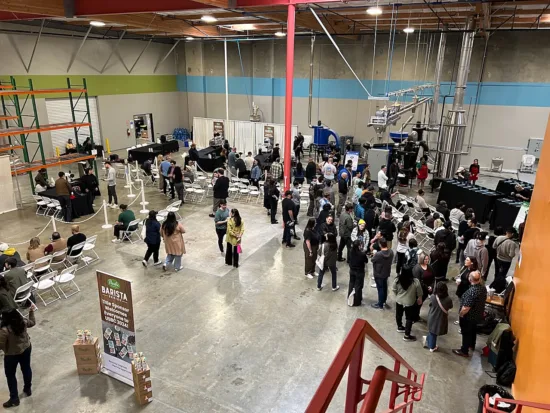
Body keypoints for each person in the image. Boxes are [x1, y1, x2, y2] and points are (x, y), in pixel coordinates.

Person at [0, 307, 36, 408]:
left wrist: (5, 348)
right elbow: (32, 322)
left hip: (12, 355)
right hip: (26, 348)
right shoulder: (23, 322)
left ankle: (14, 399)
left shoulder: (5, 330)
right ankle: (27, 389)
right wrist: (31, 312)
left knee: (10, 375)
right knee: (26, 368)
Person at [453, 271, 487, 357]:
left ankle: (464, 350)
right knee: (473, 330)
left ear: (470, 279)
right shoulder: (483, 288)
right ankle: (472, 345)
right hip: (478, 314)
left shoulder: (472, 292)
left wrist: (461, 314)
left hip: (468, 317)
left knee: (466, 332)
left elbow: (466, 308)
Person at [393, 262, 423, 342]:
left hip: (399, 300)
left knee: (398, 314)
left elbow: (394, 290)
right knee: (409, 318)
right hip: (410, 302)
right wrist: (419, 299)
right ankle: (406, 335)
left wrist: (398, 296)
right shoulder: (415, 281)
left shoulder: (397, 280)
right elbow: (419, 293)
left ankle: (399, 327)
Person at [426, 282, 453, 352]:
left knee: (431, 331)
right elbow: (450, 306)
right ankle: (432, 347)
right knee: (434, 332)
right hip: (441, 318)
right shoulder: (448, 299)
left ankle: (430, 343)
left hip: (432, 316)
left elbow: (430, 305)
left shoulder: (433, 297)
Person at [492, 227, 518, 292]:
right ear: (512, 234)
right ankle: (498, 288)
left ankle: (494, 284)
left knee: (497, 272)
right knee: (502, 274)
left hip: (498, 258)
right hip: (506, 261)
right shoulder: (512, 243)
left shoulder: (498, 238)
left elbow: (494, 246)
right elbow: (511, 255)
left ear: (506, 232)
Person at [371, 237, 394, 309]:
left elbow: (372, 260)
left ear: (380, 245)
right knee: (384, 286)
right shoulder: (391, 252)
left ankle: (380, 304)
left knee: (380, 288)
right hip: (386, 272)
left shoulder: (378, 254)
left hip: (379, 273)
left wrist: (374, 254)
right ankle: (384, 301)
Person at [412, 252, 435, 320]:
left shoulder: (429, 267)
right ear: (422, 259)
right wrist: (427, 287)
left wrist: (431, 286)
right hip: (419, 290)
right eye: (425, 259)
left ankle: (417, 315)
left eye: (428, 259)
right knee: (416, 304)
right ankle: (413, 316)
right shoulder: (417, 268)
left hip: (426, 290)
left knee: (420, 304)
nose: (427, 261)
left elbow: (433, 278)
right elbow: (418, 281)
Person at [348, 240, 368, 307]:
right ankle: (357, 301)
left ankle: (349, 298)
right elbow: (366, 261)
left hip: (352, 270)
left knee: (351, 284)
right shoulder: (362, 254)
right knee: (358, 286)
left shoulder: (351, 251)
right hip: (359, 272)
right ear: (359, 246)